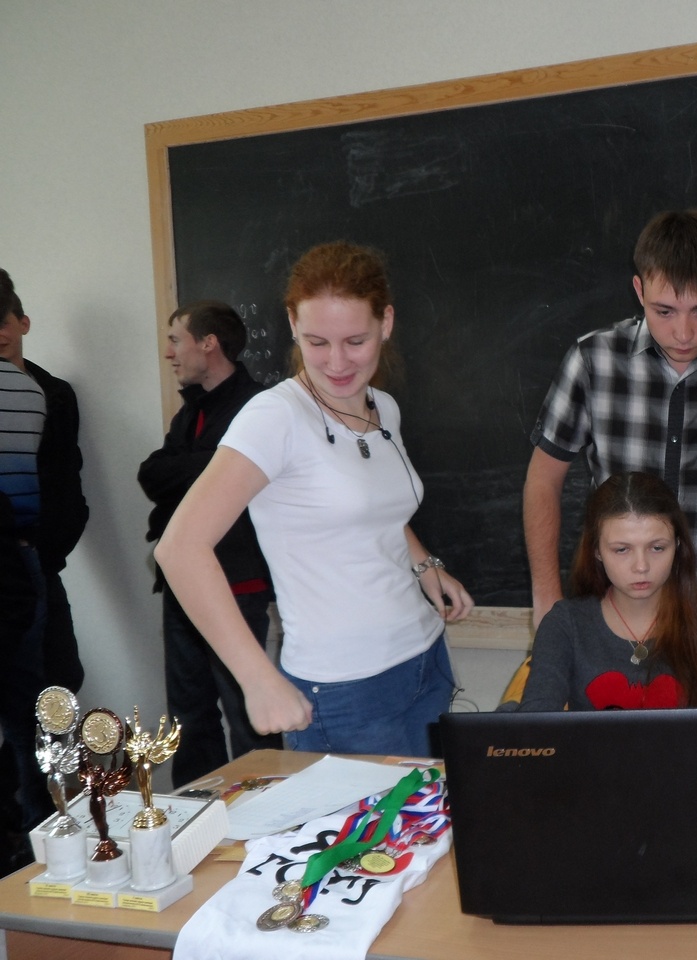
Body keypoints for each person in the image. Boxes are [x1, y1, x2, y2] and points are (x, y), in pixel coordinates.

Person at [155, 242, 474, 756]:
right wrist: (257, 679)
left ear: (386, 323)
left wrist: (424, 565)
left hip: (424, 657)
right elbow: (179, 549)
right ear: (292, 324)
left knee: (441, 810)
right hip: (344, 692)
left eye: (355, 341)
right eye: (317, 342)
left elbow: (376, 506)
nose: (337, 362)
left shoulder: (383, 407)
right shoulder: (275, 417)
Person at [524, 209, 697, 638]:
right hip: (607, 610)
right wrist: (546, 594)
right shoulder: (593, 359)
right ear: (639, 290)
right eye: (664, 311)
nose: (683, 333)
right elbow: (543, 481)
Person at [137, 301, 281, 785]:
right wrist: (210, 465)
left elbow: (227, 477)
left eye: (176, 339)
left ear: (208, 343)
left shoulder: (259, 407)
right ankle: (199, 813)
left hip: (236, 582)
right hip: (182, 583)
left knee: (249, 714)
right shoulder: (193, 409)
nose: (168, 352)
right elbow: (151, 474)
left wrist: (199, 468)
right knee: (188, 715)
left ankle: (263, 810)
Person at [517, 472, 697, 711]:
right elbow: (536, 724)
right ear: (597, 551)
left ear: (678, 546)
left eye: (657, 548)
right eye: (622, 550)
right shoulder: (564, 624)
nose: (641, 566)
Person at [0, 268, 89, 693]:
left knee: (62, 679)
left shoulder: (55, 393)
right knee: (19, 686)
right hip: (8, 555)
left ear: (23, 323)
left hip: (41, 555)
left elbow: (66, 474)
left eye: (3, 321)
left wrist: (53, 543)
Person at [0, 341, 53, 842]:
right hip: (23, 555)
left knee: (26, 709)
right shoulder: (29, 387)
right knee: (27, 710)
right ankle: (40, 835)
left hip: (13, 561)